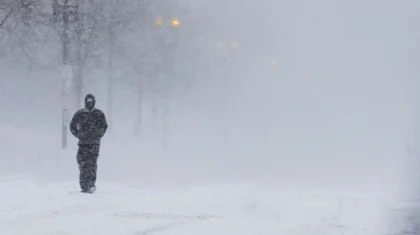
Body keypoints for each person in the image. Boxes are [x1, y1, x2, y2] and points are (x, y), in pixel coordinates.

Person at [70, 94, 108, 193]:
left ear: (94, 102)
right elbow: (72, 126)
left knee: (92, 164)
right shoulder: (80, 114)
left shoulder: (99, 114)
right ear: (85, 102)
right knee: (82, 163)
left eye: (91, 101)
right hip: (82, 143)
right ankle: (84, 185)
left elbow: (104, 126)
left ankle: (91, 184)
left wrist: (98, 135)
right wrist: (78, 135)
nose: (90, 103)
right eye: (88, 101)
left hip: (94, 144)